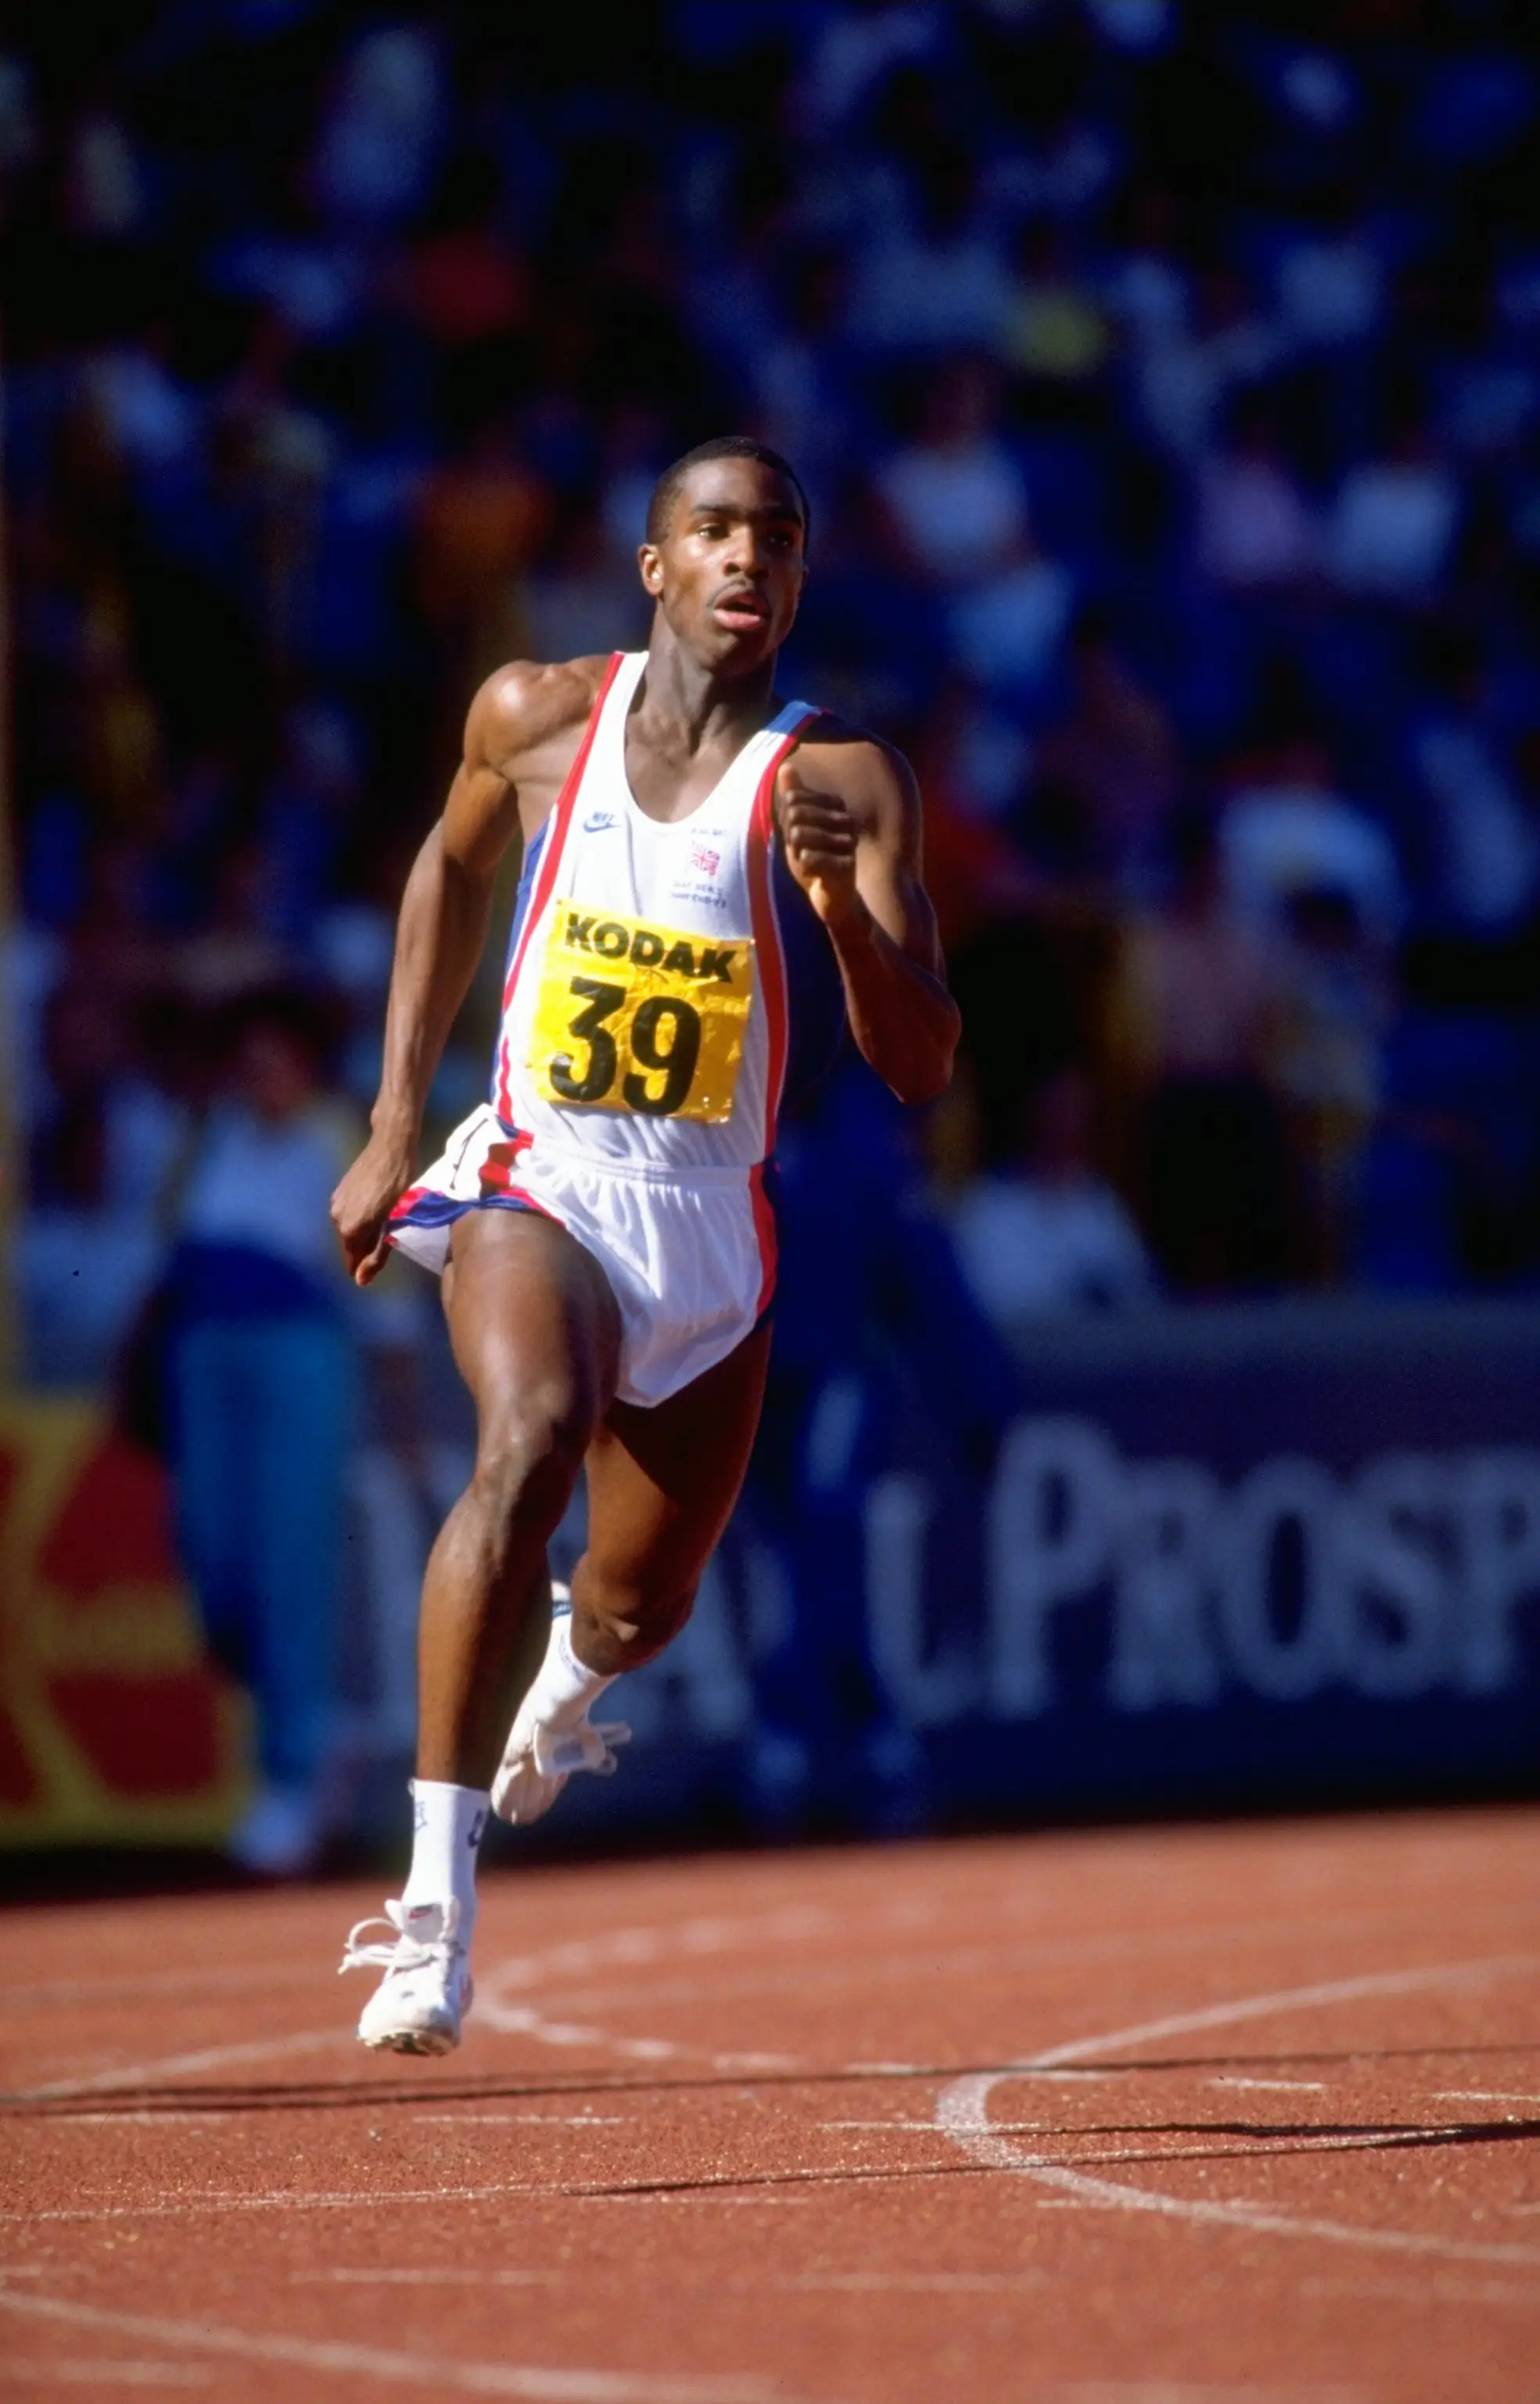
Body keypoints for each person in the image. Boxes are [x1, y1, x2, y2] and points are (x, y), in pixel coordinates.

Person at [331, 435, 960, 2053]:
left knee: (638, 1602)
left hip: (709, 1230)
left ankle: (568, 1685)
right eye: (717, 530)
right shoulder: (535, 714)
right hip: (543, 1178)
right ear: (655, 563)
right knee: (527, 1438)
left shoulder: (847, 785)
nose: (751, 558)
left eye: (780, 537)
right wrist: (398, 1115)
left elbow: (921, 1061)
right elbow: (448, 869)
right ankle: (431, 1912)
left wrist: (838, 925)